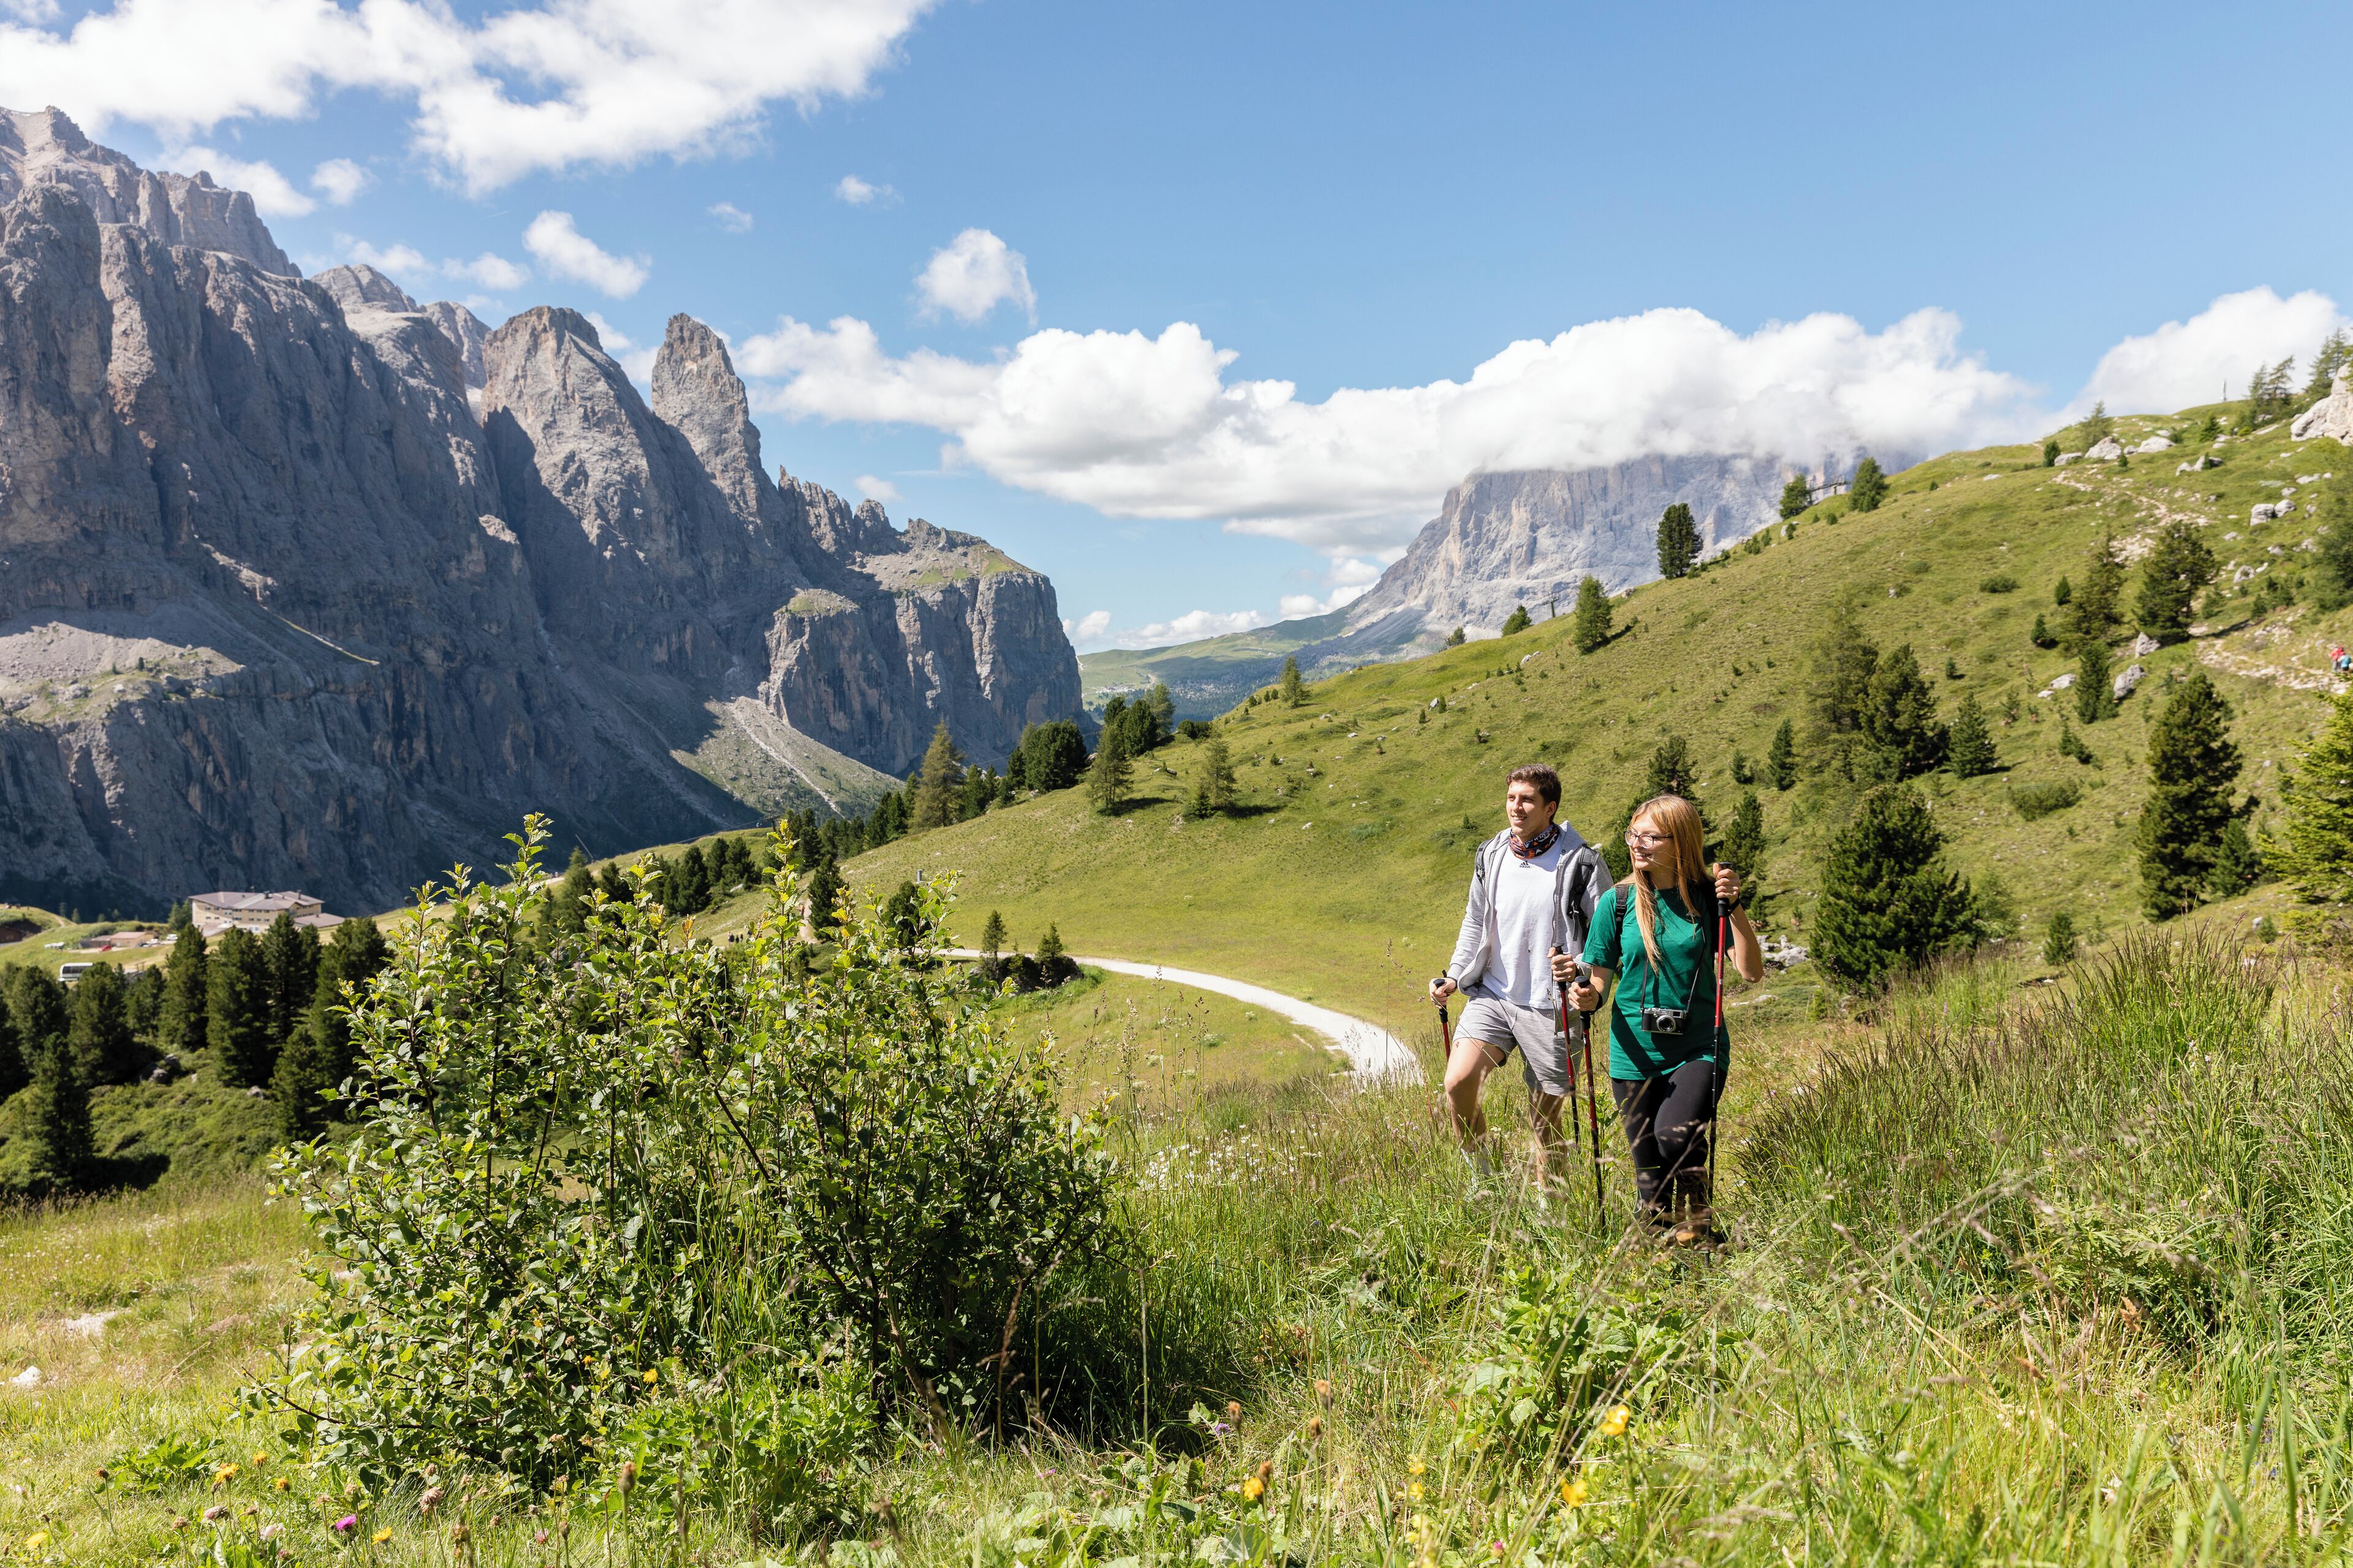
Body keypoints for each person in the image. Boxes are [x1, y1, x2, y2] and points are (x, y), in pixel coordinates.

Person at [1569, 793, 1763, 1240]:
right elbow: (1599, 986)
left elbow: (1751, 972)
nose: (1637, 844)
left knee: (1676, 1136)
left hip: (1697, 1046)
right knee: (1650, 1180)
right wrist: (1585, 997)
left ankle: (1698, 1219)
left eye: (1650, 837)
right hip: (1633, 1052)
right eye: (1633, 834)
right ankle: (1663, 1251)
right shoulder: (1617, 902)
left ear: (1681, 841)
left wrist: (1734, 906)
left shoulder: (1708, 898)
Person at [1430, 763, 1609, 1182]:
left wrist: (1581, 970)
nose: (1516, 807)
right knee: (1458, 1082)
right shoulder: (1491, 854)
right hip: (1493, 994)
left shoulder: (1582, 862)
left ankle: (1553, 1207)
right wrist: (1456, 974)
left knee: (1545, 1121)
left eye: (1527, 799)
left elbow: (1605, 935)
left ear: (1550, 808)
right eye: (1511, 798)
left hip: (1552, 1005)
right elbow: (1475, 921)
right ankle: (1485, 1181)